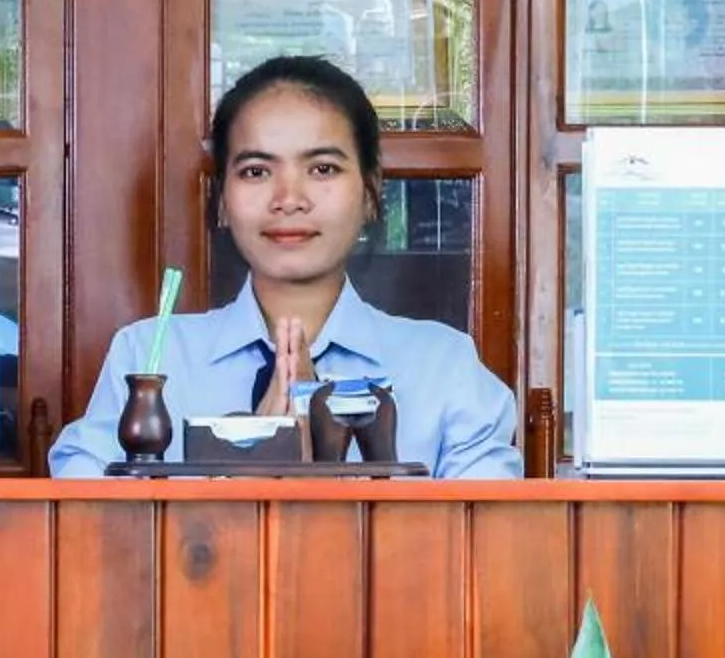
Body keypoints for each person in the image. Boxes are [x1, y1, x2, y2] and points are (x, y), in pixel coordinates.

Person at [47, 54, 518, 478]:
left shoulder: (442, 366)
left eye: (323, 169)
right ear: (222, 201)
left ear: (371, 193)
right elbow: (83, 515)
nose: (288, 199)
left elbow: (483, 540)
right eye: (256, 171)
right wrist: (246, 467)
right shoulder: (150, 356)